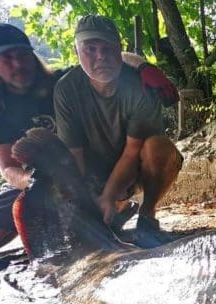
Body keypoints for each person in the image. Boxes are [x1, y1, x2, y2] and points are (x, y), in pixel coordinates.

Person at [0, 23, 178, 258]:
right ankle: (93, 220)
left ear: (32, 55)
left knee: (88, 216)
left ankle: (114, 211)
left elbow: (105, 58)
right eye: (7, 58)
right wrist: (32, 183)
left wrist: (144, 67)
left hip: (84, 171)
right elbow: (8, 168)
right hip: (36, 180)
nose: (18, 64)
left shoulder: (61, 82)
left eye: (23, 55)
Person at [54, 15, 183, 248]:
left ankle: (147, 215)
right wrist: (84, 202)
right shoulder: (65, 89)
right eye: (90, 49)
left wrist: (108, 196)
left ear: (119, 49)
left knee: (158, 147)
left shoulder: (140, 86)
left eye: (107, 48)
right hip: (94, 174)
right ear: (76, 52)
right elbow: (75, 155)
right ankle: (111, 214)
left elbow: (132, 151)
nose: (100, 56)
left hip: (133, 168)